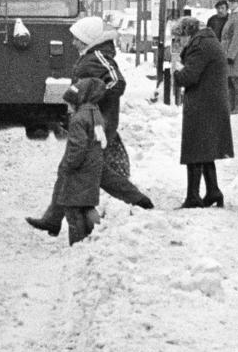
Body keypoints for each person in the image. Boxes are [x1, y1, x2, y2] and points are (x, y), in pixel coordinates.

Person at [27, 16, 152, 235]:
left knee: (74, 168)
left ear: (88, 40)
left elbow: (117, 82)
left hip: (94, 125)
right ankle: (54, 219)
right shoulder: (94, 56)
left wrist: (92, 98)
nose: (74, 43)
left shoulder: (98, 57)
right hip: (92, 123)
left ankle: (139, 201)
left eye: (77, 39)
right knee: (89, 170)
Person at [176, 14, 234, 207]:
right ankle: (213, 191)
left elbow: (188, 77)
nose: (179, 42)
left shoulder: (200, 46)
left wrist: (175, 69)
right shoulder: (208, 41)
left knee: (195, 148)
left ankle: (193, 196)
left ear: (187, 33)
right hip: (210, 102)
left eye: (180, 37)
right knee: (204, 149)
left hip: (203, 104)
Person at [50, 78, 107, 245]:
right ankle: (98, 237)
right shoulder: (95, 113)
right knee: (87, 207)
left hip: (78, 173)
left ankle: (77, 244)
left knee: (73, 211)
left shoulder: (78, 119)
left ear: (77, 101)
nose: (67, 108)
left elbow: (78, 148)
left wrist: (67, 166)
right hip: (92, 168)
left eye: (69, 104)